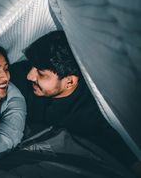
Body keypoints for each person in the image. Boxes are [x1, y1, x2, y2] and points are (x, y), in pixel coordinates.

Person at [10, 31, 141, 176]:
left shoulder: (97, 113)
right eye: (32, 66)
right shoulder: (20, 75)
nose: (30, 76)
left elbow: (129, 157)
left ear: (70, 82)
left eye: (41, 73)